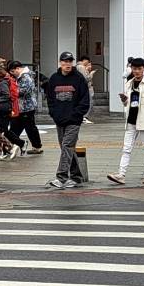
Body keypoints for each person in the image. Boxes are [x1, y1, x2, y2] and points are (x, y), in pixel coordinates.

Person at [107, 57, 144, 186]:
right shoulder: (129, 83)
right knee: (126, 149)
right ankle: (121, 174)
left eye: (139, 69)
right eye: (134, 69)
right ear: (131, 69)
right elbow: (128, 103)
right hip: (131, 120)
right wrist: (124, 100)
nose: (136, 71)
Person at [45, 51, 91, 189]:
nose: (68, 64)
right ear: (60, 62)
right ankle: (77, 177)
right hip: (59, 119)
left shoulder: (79, 78)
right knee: (66, 148)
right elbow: (50, 99)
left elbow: (85, 100)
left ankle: (62, 177)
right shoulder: (54, 79)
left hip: (74, 121)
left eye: (70, 61)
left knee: (67, 146)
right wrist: (54, 114)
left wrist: (77, 115)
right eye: (65, 61)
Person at [7, 61, 43, 154]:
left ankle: (36, 146)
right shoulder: (21, 77)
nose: (12, 74)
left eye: (13, 71)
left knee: (29, 128)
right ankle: (11, 146)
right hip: (21, 107)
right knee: (17, 127)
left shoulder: (25, 77)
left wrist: (11, 92)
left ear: (18, 69)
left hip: (27, 107)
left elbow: (23, 91)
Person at [0, 65, 23, 160]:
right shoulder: (1, 83)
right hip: (0, 110)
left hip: (1, 111)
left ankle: (11, 147)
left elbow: (6, 95)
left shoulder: (2, 83)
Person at [76, 56, 96, 124]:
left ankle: (83, 117)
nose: (88, 63)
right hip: (86, 88)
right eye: (88, 62)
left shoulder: (78, 67)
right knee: (89, 102)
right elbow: (86, 78)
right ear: (84, 60)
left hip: (83, 88)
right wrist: (91, 74)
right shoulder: (81, 67)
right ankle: (84, 117)